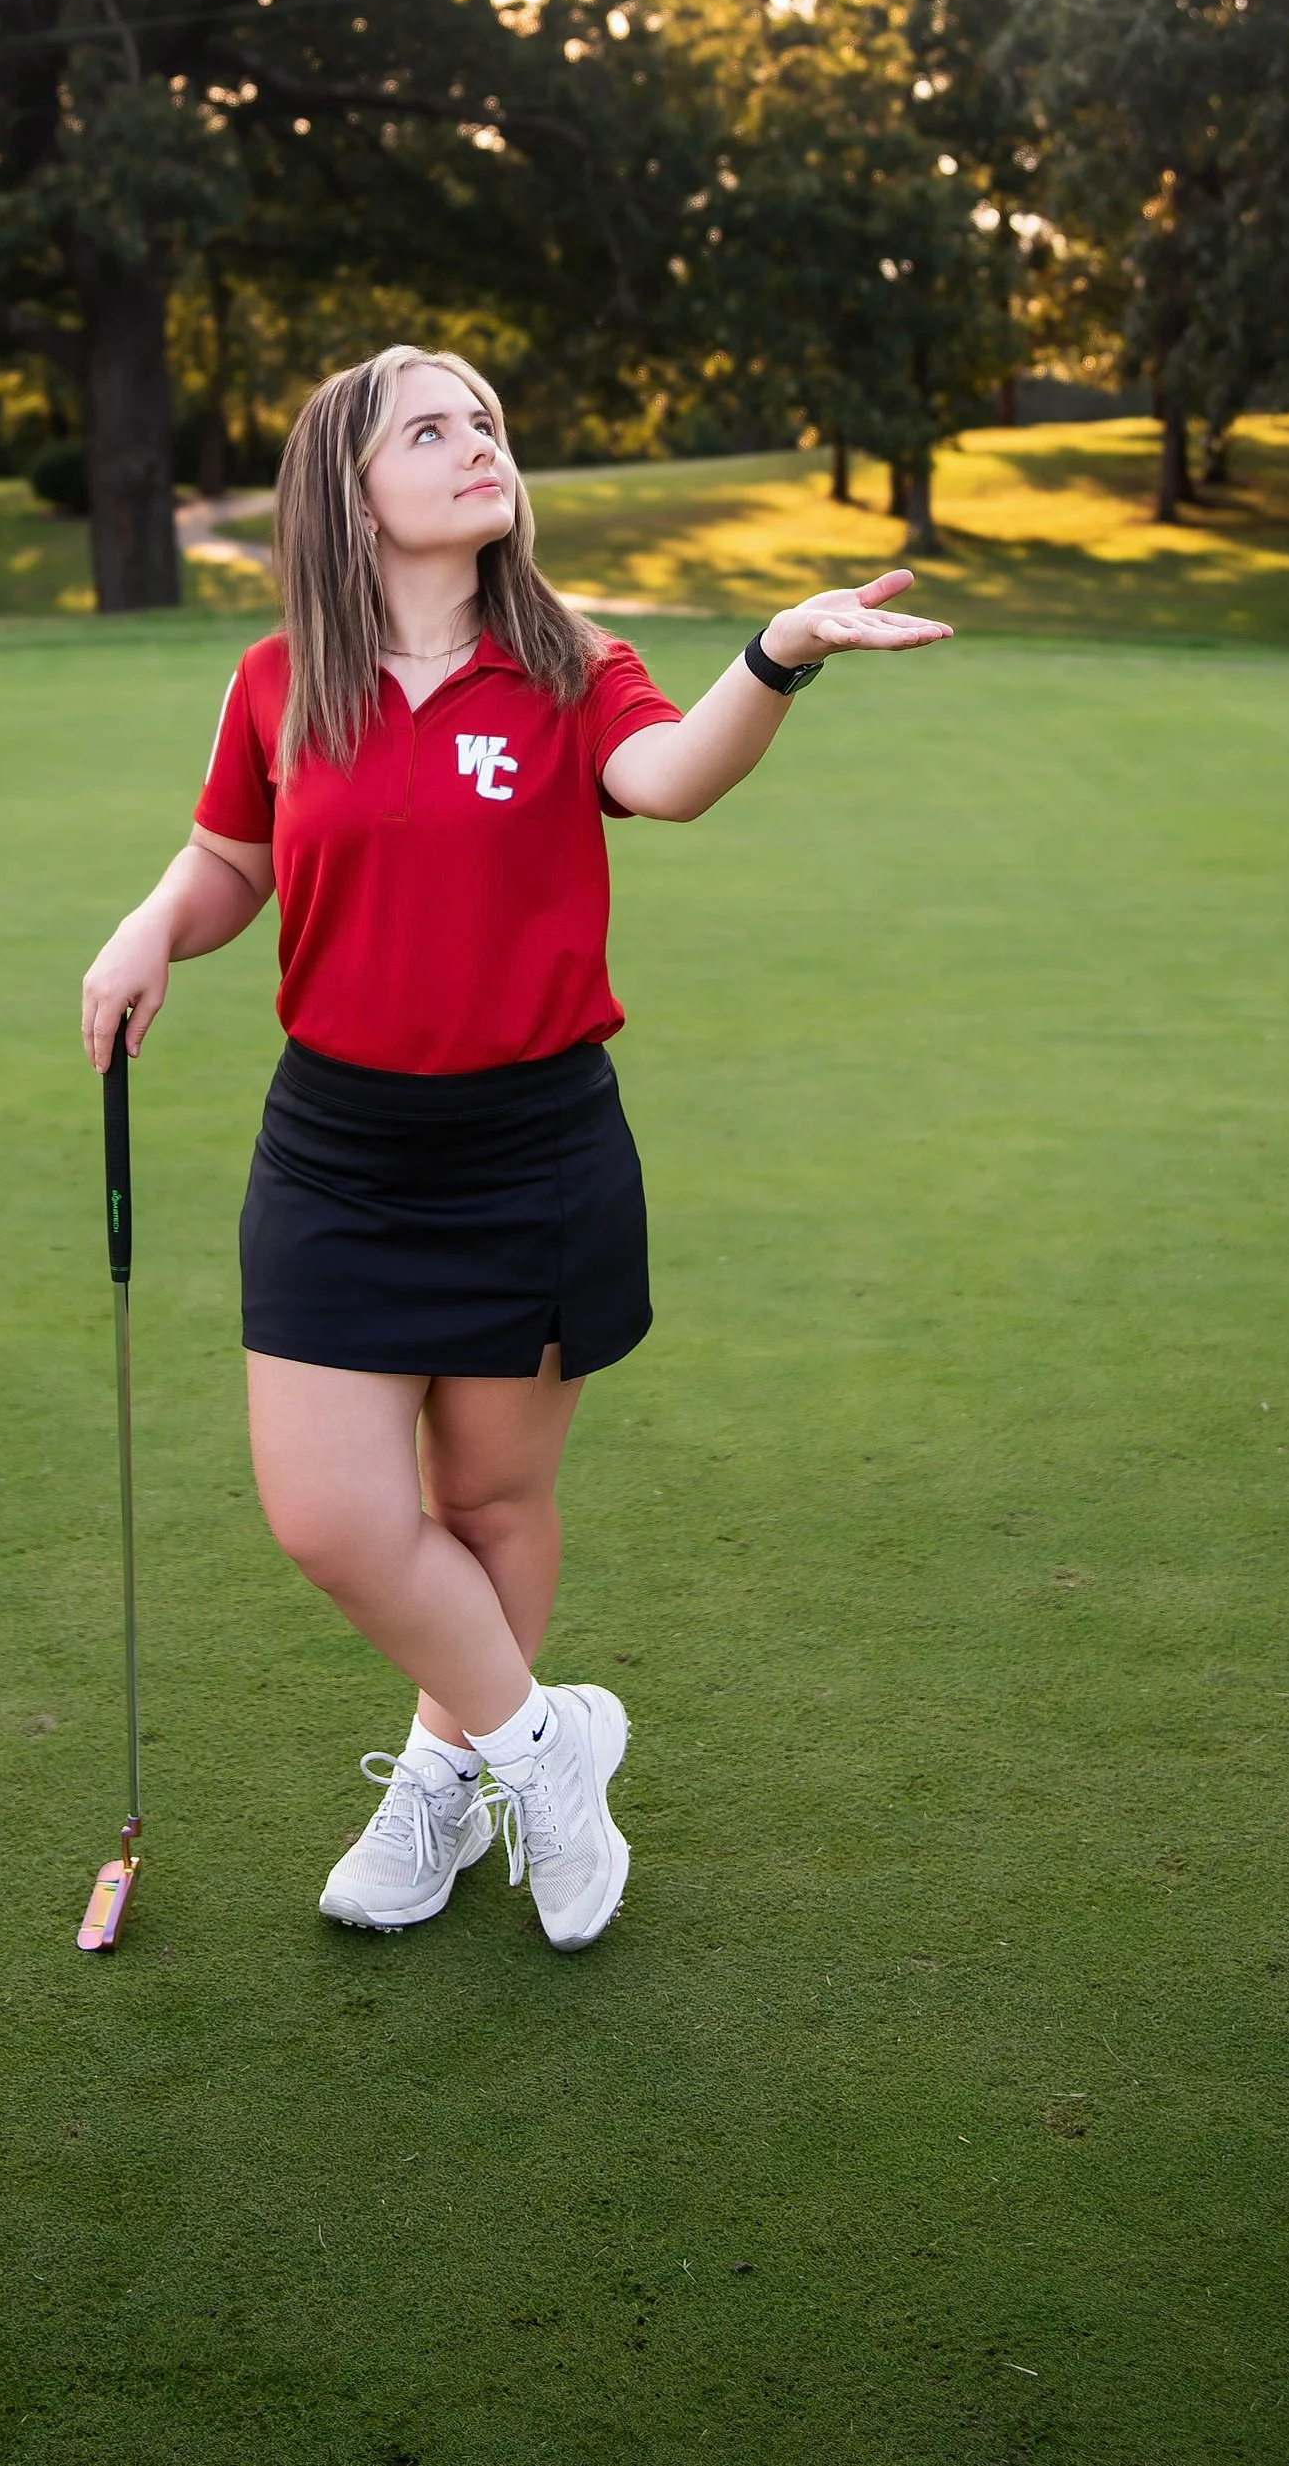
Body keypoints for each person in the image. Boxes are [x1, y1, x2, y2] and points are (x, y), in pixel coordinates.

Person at [79, 345, 951, 1952]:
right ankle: (547, 1749)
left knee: (485, 1504)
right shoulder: (281, 681)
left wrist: (776, 654)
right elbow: (230, 860)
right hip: (337, 1152)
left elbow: (670, 777)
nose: (475, 443)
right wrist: (150, 928)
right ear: (351, 492)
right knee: (331, 1518)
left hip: (529, 1146)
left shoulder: (567, 661)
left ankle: (443, 1779)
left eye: (485, 421)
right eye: (430, 427)